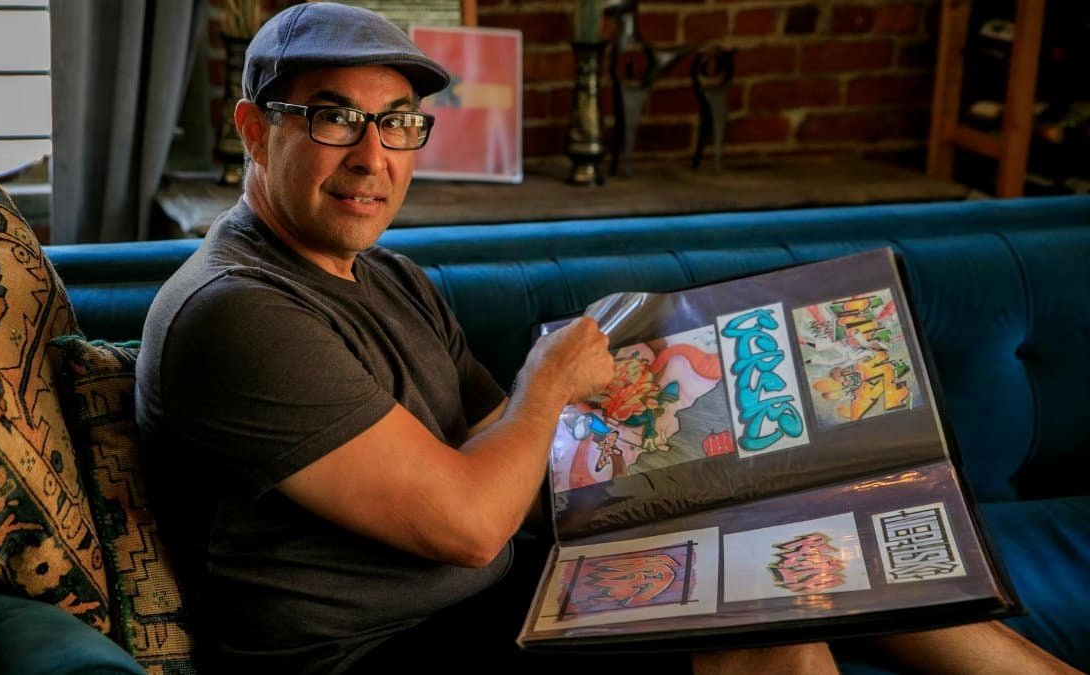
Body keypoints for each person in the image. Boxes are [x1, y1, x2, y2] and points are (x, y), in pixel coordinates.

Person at [134, 4, 1081, 674]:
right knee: (772, 623)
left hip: (494, 602)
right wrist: (550, 379)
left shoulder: (383, 272)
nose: (374, 157)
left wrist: (693, 429)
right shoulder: (235, 311)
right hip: (382, 651)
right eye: (335, 118)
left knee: (804, 546)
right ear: (255, 131)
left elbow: (510, 445)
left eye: (398, 124)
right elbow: (467, 522)